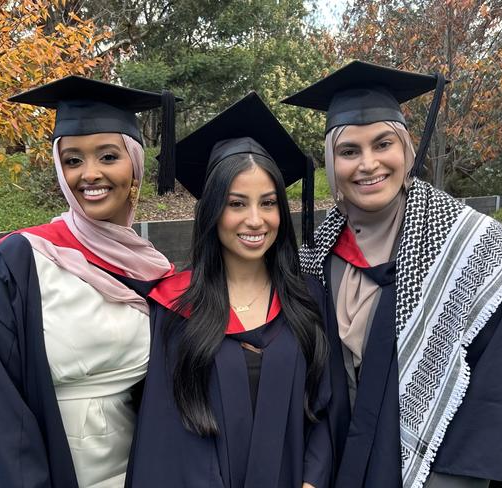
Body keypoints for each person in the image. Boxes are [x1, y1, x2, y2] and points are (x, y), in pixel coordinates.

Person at [283, 61, 502, 487]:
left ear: (406, 148)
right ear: (332, 164)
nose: (368, 164)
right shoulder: (316, 253)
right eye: (349, 151)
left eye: (382, 143)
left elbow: (497, 396)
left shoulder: (473, 251)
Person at [0, 76, 177, 487]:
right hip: (52, 472)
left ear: (135, 166)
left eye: (108, 156)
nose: (89, 174)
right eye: (73, 160)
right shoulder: (22, 262)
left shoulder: (152, 269)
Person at [128, 92, 344, 488]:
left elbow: (325, 408)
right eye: (237, 204)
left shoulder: (308, 299)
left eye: (268, 203)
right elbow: (164, 434)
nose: (255, 220)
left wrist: (313, 481)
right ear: (212, 210)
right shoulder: (175, 307)